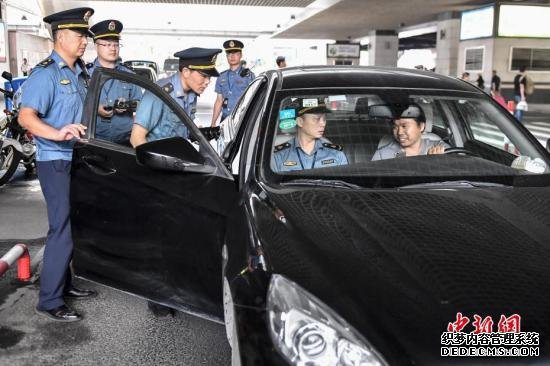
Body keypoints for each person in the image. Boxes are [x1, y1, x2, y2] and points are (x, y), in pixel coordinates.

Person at [18, 7, 96, 322]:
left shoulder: (79, 73)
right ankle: (50, 300)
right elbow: (26, 116)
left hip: (77, 159)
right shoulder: (46, 74)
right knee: (60, 229)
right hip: (55, 161)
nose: (84, 42)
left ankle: (66, 284)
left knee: (72, 225)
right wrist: (58, 133)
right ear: (60, 36)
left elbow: (78, 112)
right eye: (80, 36)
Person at [130, 47, 221, 147]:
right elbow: (136, 139)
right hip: (159, 158)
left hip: (177, 156)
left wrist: (200, 133)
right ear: (186, 72)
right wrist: (155, 162)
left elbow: (181, 130)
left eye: (209, 77)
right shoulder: (160, 93)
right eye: (204, 76)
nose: (208, 82)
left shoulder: (192, 93)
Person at [87, 19, 142, 145]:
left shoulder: (129, 75)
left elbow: (140, 105)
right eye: (107, 44)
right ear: (96, 46)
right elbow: (76, 104)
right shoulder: (84, 74)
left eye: (116, 44)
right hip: (94, 140)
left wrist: (127, 105)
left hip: (124, 142)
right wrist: (95, 109)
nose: (113, 48)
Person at [272, 97, 348, 172]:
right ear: (300, 122)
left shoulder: (336, 154)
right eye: (316, 119)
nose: (323, 123)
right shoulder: (279, 155)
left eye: (324, 119)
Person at [372, 104, 448, 160]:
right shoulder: (383, 154)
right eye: (395, 127)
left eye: (404, 126)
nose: (399, 132)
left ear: (421, 127)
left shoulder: (439, 148)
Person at [210, 40, 255, 127]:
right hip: (225, 119)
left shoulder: (249, 76)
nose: (232, 56)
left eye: (235, 53)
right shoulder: (221, 77)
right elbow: (219, 100)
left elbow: (253, 100)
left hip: (242, 119)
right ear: (226, 56)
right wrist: (213, 122)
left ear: (241, 55)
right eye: (229, 54)